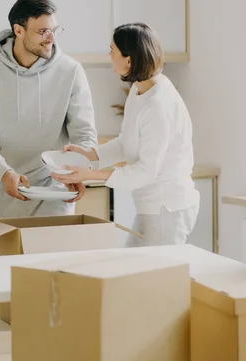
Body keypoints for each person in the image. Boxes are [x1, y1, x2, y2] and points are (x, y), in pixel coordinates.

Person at [52, 23, 200, 247]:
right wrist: (89, 154)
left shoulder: (158, 105)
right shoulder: (140, 89)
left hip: (167, 207)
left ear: (129, 60)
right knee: (137, 269)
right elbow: (125, 143)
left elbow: (146, 172)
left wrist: (90, 175)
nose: (109, 56)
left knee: (151, 278)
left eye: (112, 51)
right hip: (152, 205)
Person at [0, 0, 98, 219]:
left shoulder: (71, 70)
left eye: (55, 31)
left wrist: (78, 171)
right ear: (19, 30)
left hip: (57, 189)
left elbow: (84, 134)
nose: (51, 39)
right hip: (7, 188)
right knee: (9, 254)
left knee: (52, 254)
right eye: (42, 32)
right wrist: (4, 172)